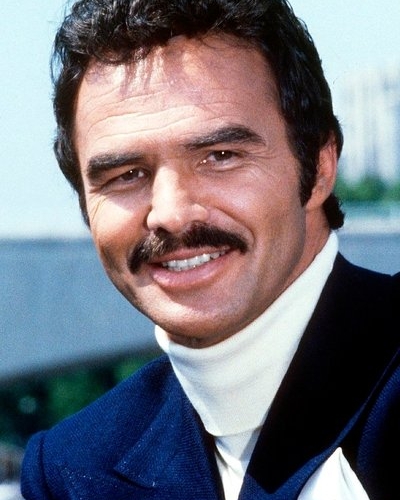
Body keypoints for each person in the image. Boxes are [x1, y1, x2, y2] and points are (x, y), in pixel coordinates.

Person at [21, 0, 400, 499]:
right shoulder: (72, 469)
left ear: (319, 168)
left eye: (220, 156)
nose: (171, 214)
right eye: (126, 175)